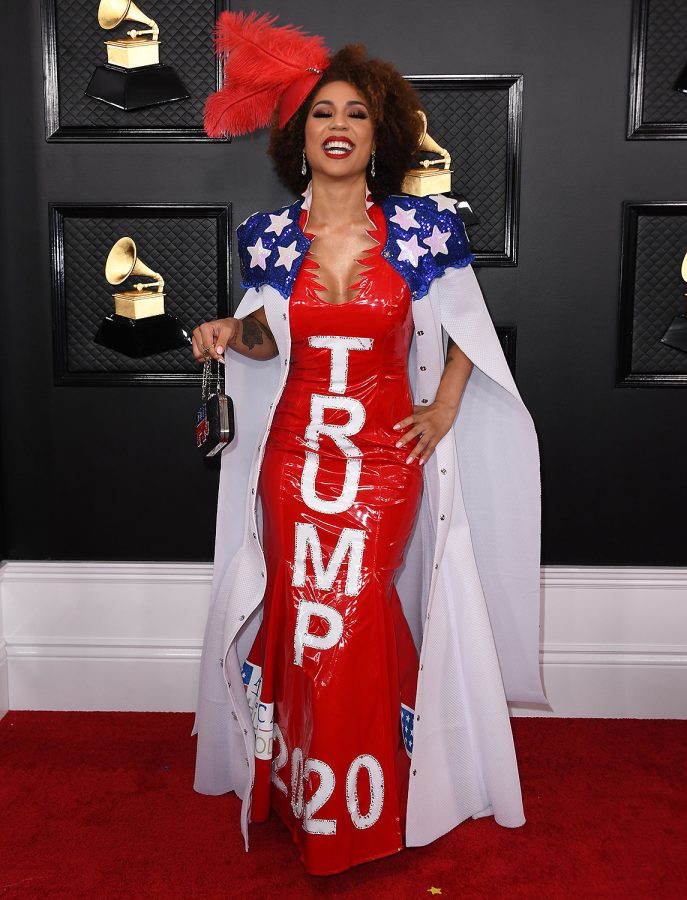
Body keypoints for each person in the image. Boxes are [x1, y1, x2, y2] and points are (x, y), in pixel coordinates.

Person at [191, 12, 545, 877]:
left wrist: (447, 404)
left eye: (354, 112)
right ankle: (296, 783)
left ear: (376, 132)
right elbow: (275, 341)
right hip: (294, 461)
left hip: (384, 463)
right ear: (297, 135)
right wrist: (229, 333)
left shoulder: (424, 229)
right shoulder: (269, 238)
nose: (338, 126)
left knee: (354, 618)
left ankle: (367, 799)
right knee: (305, 623)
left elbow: (468, 328)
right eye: (321, 112)